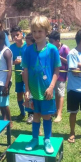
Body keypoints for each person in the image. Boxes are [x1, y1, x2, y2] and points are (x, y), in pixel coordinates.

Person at [22, 16, 61, 154]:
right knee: (36, 115)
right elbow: (25, 70)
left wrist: (51, 87)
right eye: (34, 31)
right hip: (33, 91)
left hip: (47, 92)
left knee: (46, 116)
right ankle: (34, 139)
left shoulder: (52, 50)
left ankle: (47, 140)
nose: (37, 34)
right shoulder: (28, 50)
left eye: (40, 31)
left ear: (46, 32)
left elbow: (57, 70)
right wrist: (26, 89)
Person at [48, 31, 70, 123]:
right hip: (53, 75)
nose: (50, 43)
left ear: (57, 41)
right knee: (56, 93)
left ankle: (59, 114)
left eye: (51, 41)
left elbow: (69, 62)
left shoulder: (65, 48)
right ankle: (56, 111)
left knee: (61, 93)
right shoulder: (51, 49)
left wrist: (59, 58)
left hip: (62, 75)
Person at [0, 31, 13, 128]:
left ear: (0, 39)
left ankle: (10, 122)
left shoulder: (7, 52)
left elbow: (10, 69)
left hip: (4, 82)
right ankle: (4, 120)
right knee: (0, 103)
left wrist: (6, 85)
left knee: (5, 103)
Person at [9, 26, 27, 121]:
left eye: (17, 35)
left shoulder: (28, 45)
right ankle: (22, 113)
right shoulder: (11, 48)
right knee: (19, 94)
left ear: (22, 33)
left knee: (27, 93)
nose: (15, 37)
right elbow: (8, 62)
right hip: (18, 75)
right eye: (13, 36)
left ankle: (31, 114)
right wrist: (14, 62)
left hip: (28, 75)